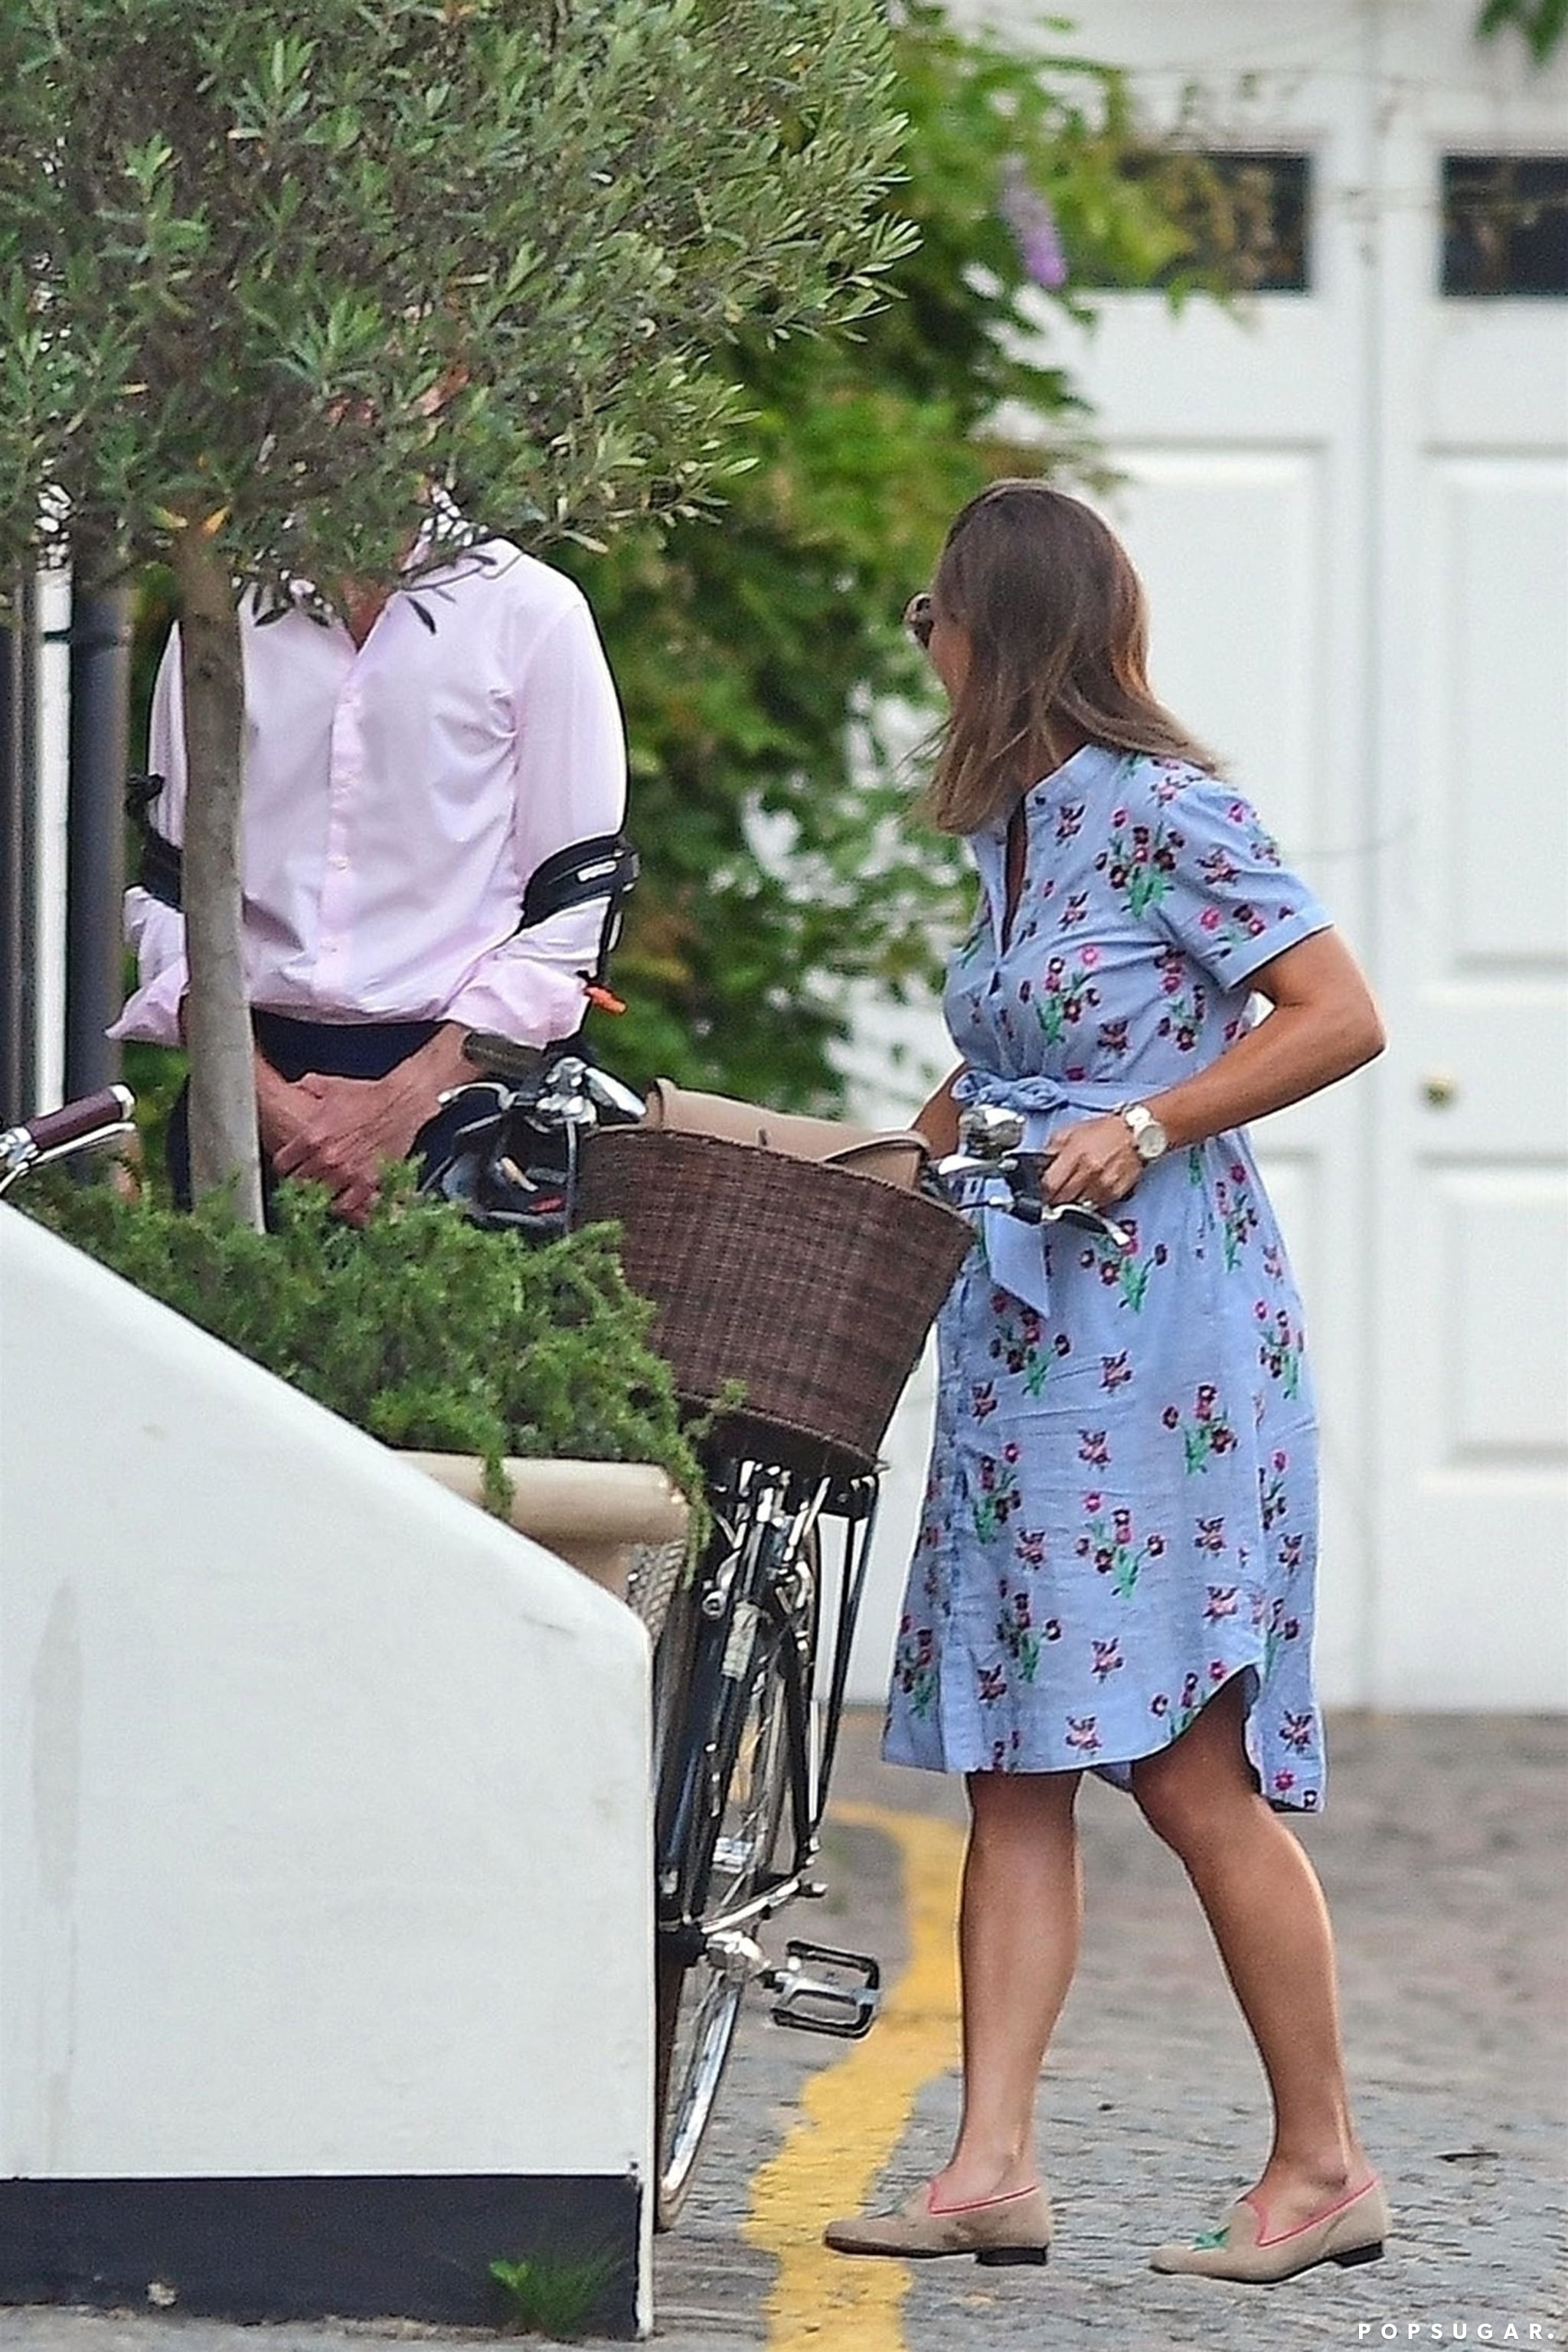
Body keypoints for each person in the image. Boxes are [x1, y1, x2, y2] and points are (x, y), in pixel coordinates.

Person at [825, 481, 1389, 2283]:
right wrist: (853, 1177)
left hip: (1163, 1349)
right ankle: (987, 2163)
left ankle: (1320, 2161)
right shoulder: (1009, 836)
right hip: (1020, 1350)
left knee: (1185, 1768)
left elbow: (1333, 1010)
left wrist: (1145, 1119)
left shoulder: (1164, 812)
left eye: (933, 614)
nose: (924, 644)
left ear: (1002, 625)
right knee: (1008, 1763)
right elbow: (996, 1070)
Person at [112, 499, 629, 1223]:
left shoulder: (530, 612)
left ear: (449, 383)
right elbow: (170, 892)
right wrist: (268, 1102)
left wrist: (406, 1103)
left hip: (467, 1103)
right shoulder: (223, 607)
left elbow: (577, 914)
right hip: (250, 1098)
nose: (350, 404)